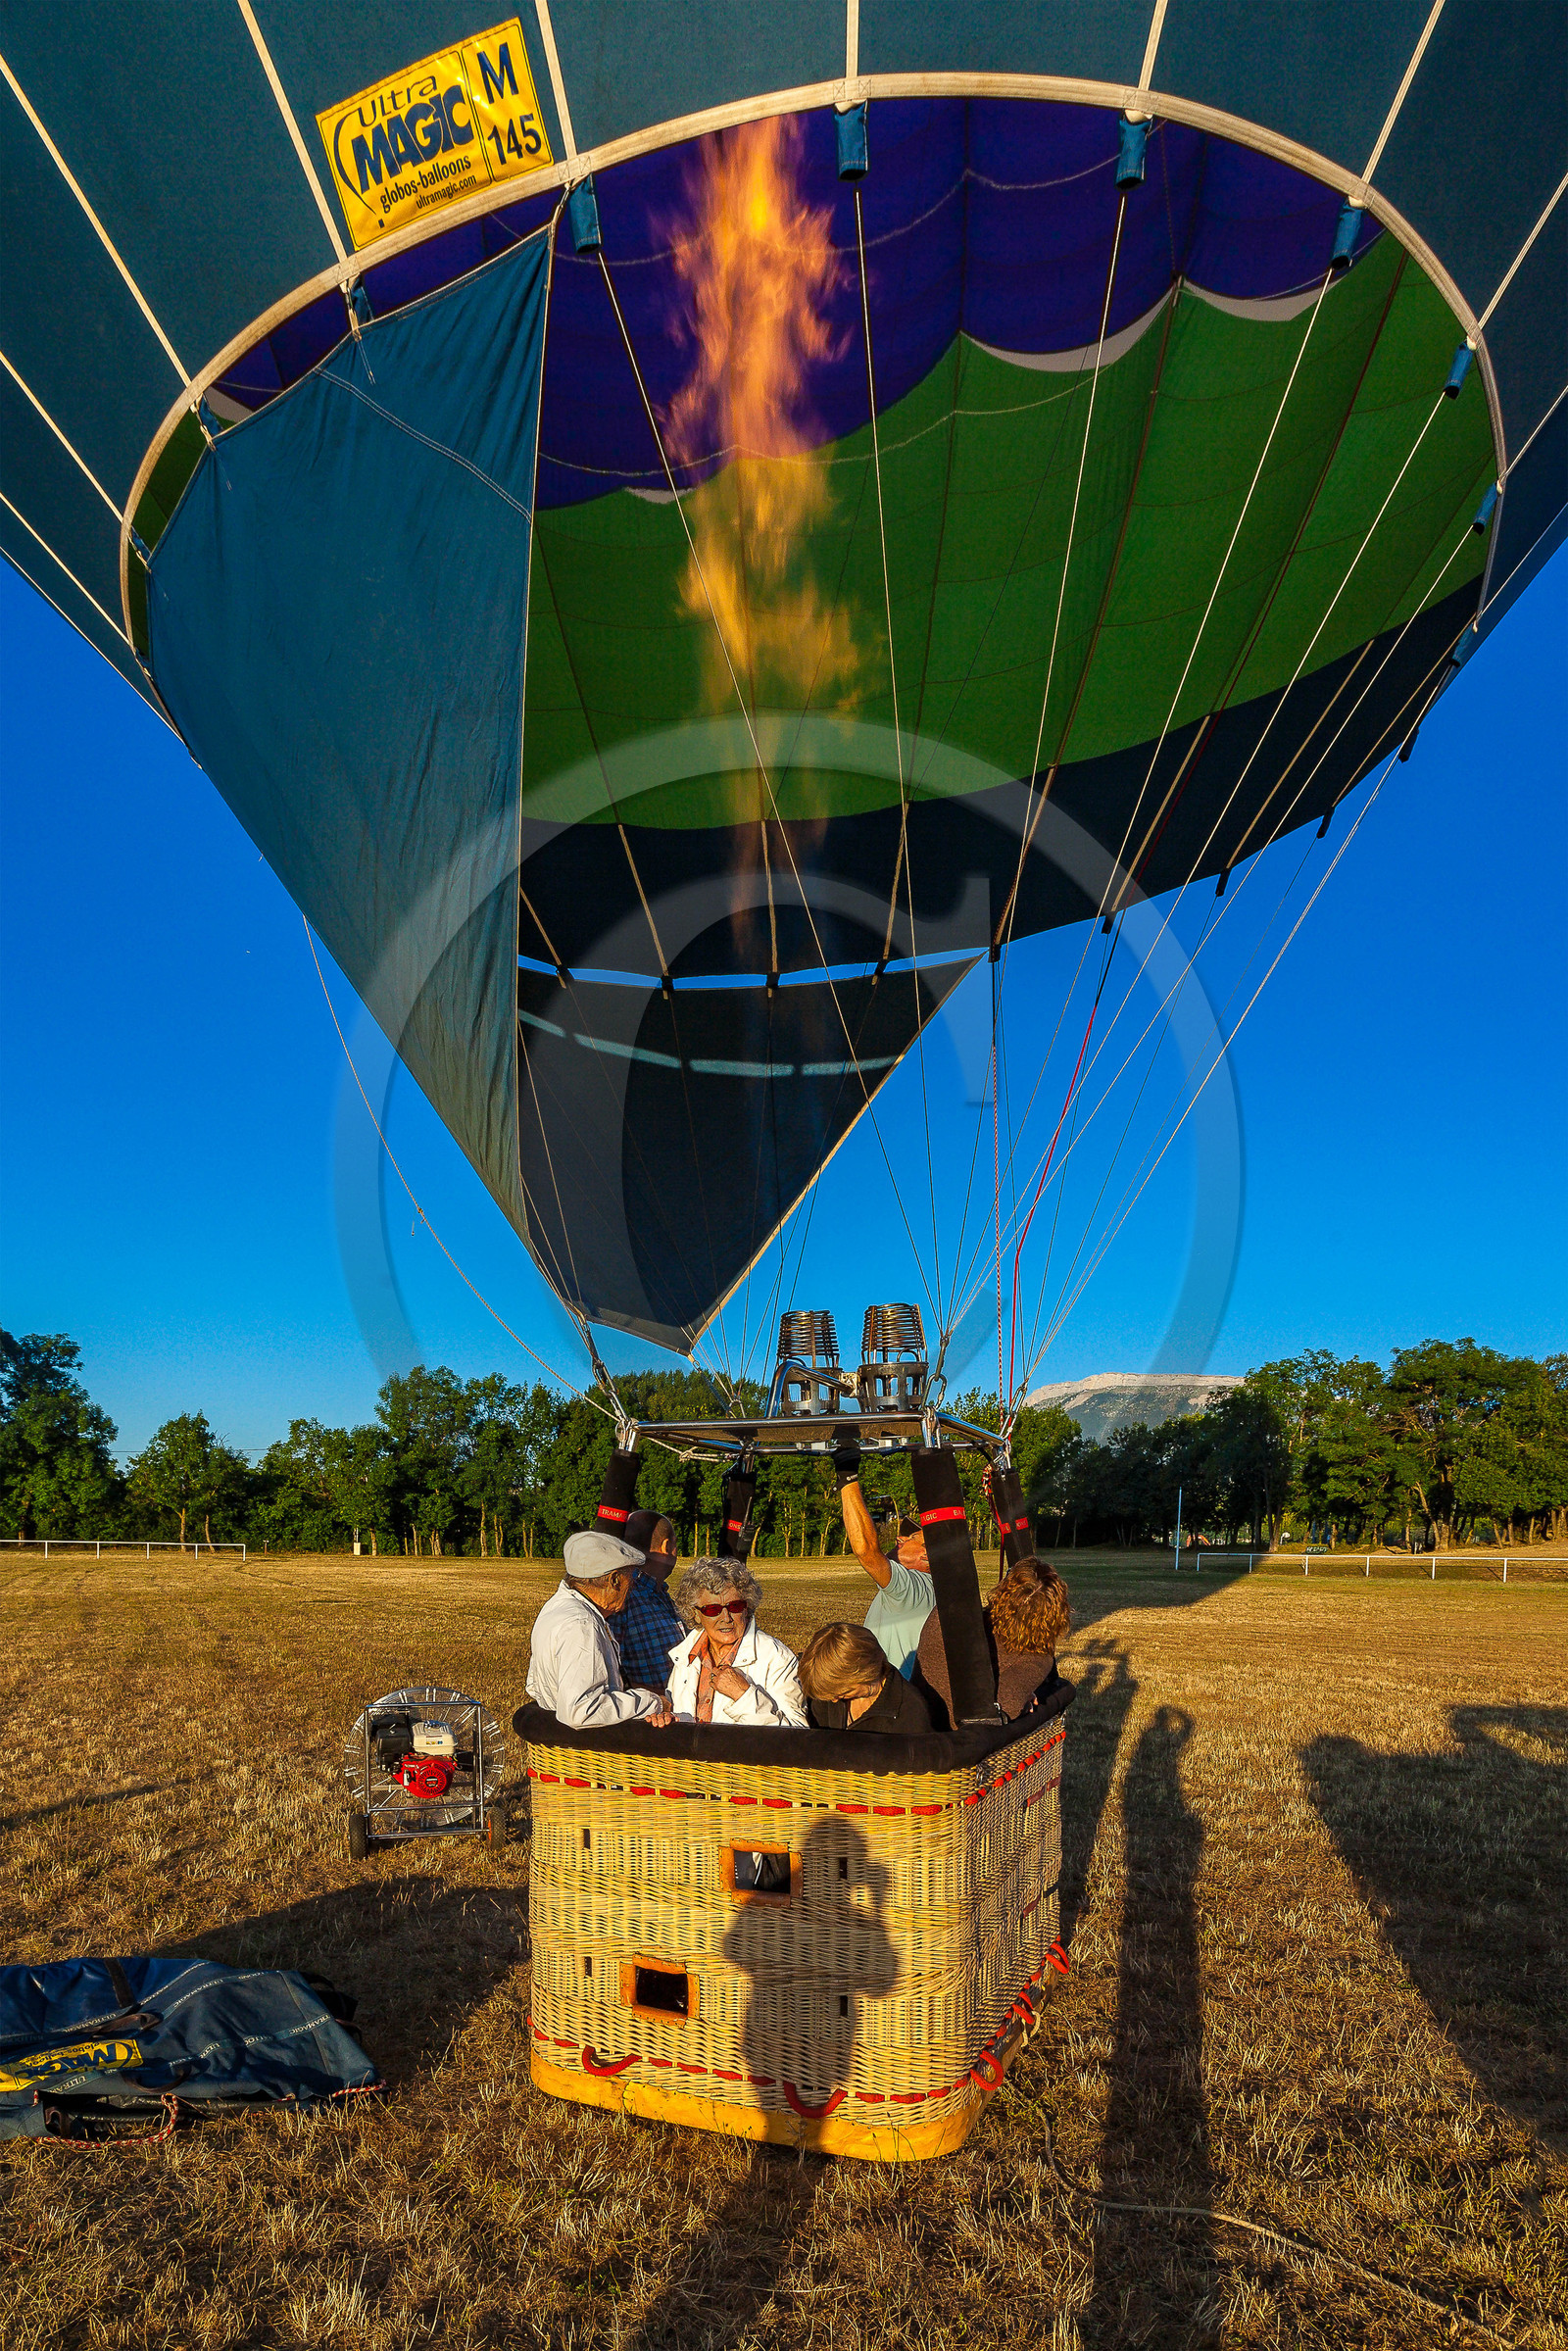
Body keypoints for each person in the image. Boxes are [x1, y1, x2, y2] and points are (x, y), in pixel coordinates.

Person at [525, 1530, 674, 1730]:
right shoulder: (582, 1624)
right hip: (585, 1750)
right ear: (615, 1580)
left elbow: (534, 1686)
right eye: (631, 1576)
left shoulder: (556, 1608)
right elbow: (581, 1711)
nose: (633, 1585)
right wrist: (653, 1702)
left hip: (561, 1743)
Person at [915, 1556, 1070, 1730]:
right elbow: (1008, 1706)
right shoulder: (1036, 1659)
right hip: (957, 1741)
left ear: (1003, 1590)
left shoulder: (946, 1615)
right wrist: (1025, 1703)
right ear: (1056, 1618)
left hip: (915, 1727)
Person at [833, 1438, 934, 1678]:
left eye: (910, 1538)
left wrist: (848, 1476)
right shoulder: (931, 1588)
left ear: (927, 1555)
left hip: (888, 1696)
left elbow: (866, 1551)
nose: (900, 1538)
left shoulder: (912, 1588)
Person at [665, 1559, 808, 1727]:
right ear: (695, 1614)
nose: (725, 1618)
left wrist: (743, 1695)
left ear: (747, 1607)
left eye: (735, 1606)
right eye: (713, 1610)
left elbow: (797, 1735)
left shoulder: (777, 1659)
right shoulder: (685, 1656)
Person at [798, 1622, 933, 1734]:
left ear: (866, 1673)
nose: (833, 1700)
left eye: (843, 1692)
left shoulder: (910, 1712)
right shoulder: (827, 1693)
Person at [615, 1508, 686, 1694]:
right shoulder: (623, 1597)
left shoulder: (659, 1592)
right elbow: (613, 1673)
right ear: (666, 1546)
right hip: (650, 1716)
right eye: (675, 1544)